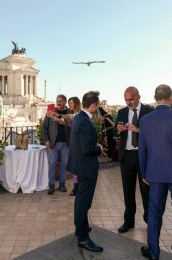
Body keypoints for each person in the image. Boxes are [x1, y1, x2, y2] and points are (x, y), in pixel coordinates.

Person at [139, 84, 172, 260]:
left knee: (154, 213)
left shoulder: (145, 120)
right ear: (171, 97)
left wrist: (144, 173)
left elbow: (142, 150)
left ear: (156, 98)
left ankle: (153, 252)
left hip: (155, 174)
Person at [66, 91, 105, 252]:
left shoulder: (78, 118)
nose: (98, 108)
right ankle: (82, 238)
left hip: (80, 166)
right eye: (98, 105)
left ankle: (80, 228)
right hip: (86, 168)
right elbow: (87, 148)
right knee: (84, 203)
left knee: (80, 201)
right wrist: (100, 148)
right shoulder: (84, 121)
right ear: (93, 105)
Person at [115, 86, 153, 233]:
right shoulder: (122, 112)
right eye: (126, 99)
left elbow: (154, 133)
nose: (128, 102)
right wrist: (119, 130)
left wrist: (138, 130)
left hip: (144, 157)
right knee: (128, 191)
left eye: (130, 99)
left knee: (146, 191)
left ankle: (149, 220)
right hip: (127, 156)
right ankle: (129, 221)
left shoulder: (149, 111)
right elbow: (114, 131)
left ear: (139, 97)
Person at [47, 97, 81, 196]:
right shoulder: (72, 113)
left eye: (71, 103)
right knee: (72, 167)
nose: (70, 105)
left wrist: (57, 115)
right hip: (67, 143)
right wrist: (58, 120)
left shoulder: (78, 114)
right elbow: (67, 123)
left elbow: (70, 118)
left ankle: (73, 187)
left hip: (74, 144)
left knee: (73, 167)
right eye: (69, 103)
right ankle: (73, 187)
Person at [43, 95, 70, 195]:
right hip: (53, 143)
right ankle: (51, 185)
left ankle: (62, 184)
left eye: (61, 101)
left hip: (66, 143)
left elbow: (72, 125)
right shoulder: (50, 113)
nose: (58, 103)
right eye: (57, 101)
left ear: (65, 102)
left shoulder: (69, 113)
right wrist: (46, 140)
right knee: (52, 163)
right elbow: (45, 128)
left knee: (64, 164)